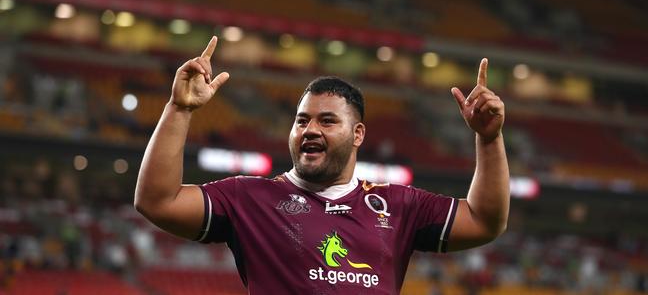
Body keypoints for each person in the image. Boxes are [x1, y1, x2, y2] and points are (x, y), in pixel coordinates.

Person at [134, 36, 509, 294]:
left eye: (327, 121)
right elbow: (158, 201)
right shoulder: (250, 198)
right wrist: (179, 109)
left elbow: (484, 220)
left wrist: (489, 139)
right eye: (301, 120)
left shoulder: (399, 206)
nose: (310, 130)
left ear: (358, 134)